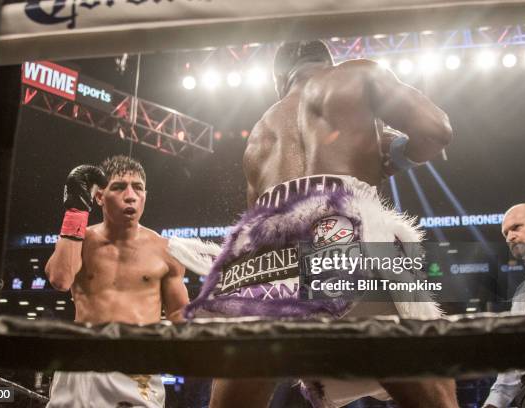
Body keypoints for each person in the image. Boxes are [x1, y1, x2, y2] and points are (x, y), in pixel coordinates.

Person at [185, 40, 458, 407]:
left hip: (259, 250)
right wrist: (396, 157)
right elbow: (436, 131)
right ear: (329, 61)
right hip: (339, 224)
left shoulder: (259, 132)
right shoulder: (358, 74)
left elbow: (252, 216)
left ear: (278, 79)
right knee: (433, 387)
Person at [44, 155, 189, 408]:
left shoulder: (167, 251)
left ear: (146, 195)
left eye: (138, 188)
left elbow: (179, 313)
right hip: (83, 364)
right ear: (99, 196)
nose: (130, 195)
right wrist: (76, 211)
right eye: (119, 187)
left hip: (138, 365)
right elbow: (60, 279)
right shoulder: (81, 240)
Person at [483, 203, 525, 408]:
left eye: (516, 227)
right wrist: (492, 405)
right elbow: (515, 362)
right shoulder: (523, 293)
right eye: (505, 234)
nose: (510, 237)